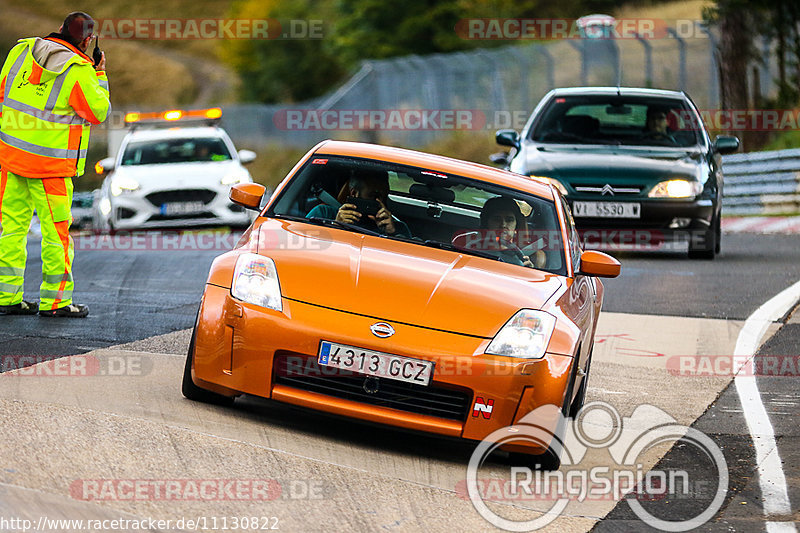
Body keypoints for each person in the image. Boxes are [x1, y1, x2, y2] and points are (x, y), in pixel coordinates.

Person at [0, 12, 110, 317]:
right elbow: (97, 111)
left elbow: (2, 95)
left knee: (10, 230)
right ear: (88, 41)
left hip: (10, 159)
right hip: (50, 169)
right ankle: (57, 301)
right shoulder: (78, 70)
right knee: (56, 235)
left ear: (60, 29)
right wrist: (99, 74)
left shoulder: (19, 52)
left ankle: (6, 297)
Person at [307, 169, 411, 238]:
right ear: (354, 193)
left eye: (384, 196)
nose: (380, 201)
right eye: (374, 196)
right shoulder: (323, 214)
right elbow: (301, 244)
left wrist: (392, 234)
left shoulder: (399, 228)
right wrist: (335, 226)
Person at [480, 196, 546, 269]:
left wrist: (530, 271)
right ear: (486, 223)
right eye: (497, 219)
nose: (503, 225)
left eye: (509, 220)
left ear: (517, 224)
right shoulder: (469, 242)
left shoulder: (534, 255)